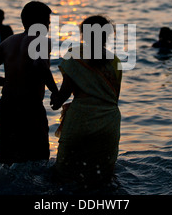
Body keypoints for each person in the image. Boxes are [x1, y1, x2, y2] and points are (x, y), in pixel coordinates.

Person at [0, 1, 59, 165]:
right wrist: (55, 93)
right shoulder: (42, 41)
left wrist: (8, 82)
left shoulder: (7, 42)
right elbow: (40, 65)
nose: (50, 23)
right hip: (30, 107)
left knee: (5, 161)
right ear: (40, 21)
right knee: (38, 160)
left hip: (6, 107)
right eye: (47, 19)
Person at [51, 15, 122, 185]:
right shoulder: (116, 61)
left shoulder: (74, 54)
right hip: (109, 123)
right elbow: (111, 97)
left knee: (65, 176)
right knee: (103, 179)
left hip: (81, 120)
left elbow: (66, 92)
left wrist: (56, 100)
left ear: (83, 34)